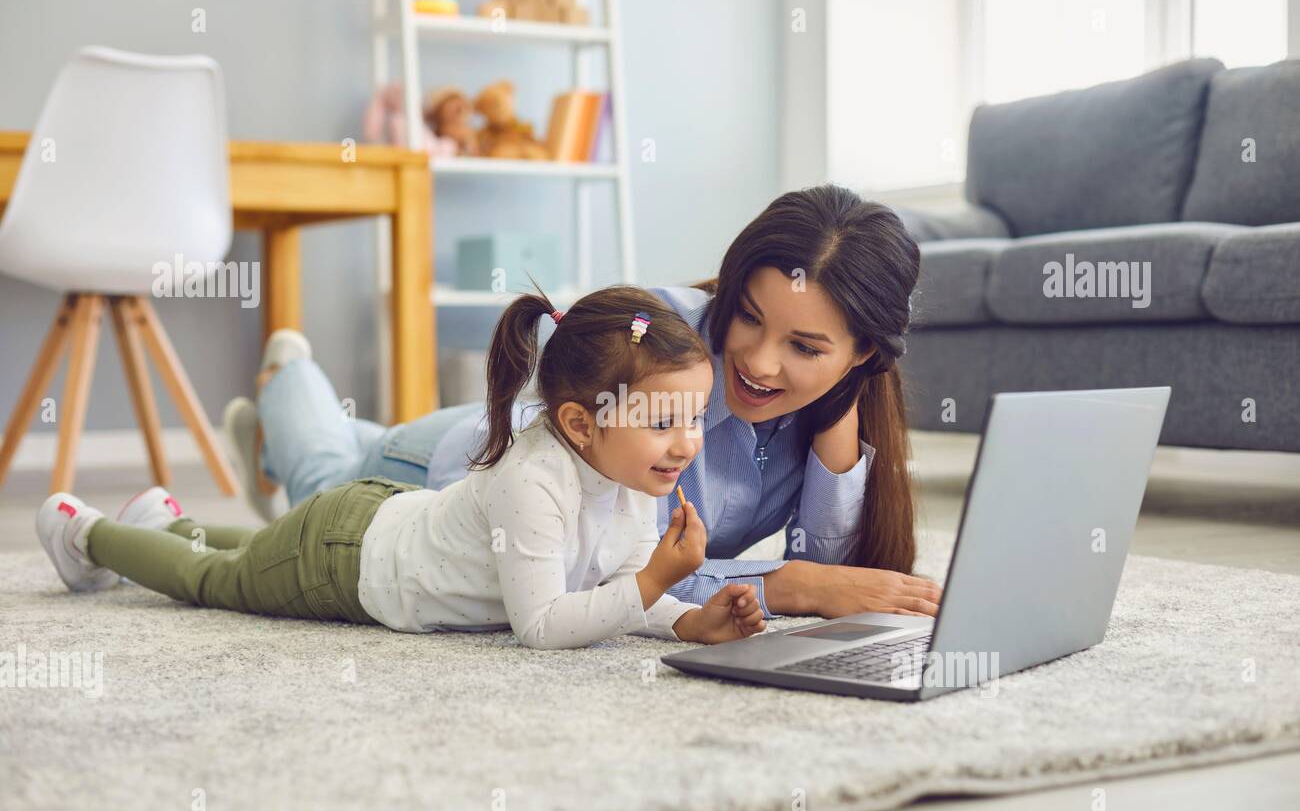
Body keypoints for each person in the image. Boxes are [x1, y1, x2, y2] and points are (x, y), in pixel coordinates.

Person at [225, 185, 943, 621]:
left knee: (341, 453)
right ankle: (290, 380)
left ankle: (301, 428)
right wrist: (790, 588)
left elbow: (838, 573)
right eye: (748, 315)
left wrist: (838, 414)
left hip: (469, 451)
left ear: (865, 355)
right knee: (319, 491)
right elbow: (617, 574)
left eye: (807, 348)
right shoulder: (653, 329)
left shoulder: (831, 406)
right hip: (452, 470)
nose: (756, 361)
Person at [35, 287, 765, 650]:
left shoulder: (634, 477)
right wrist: (656, 582)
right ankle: (86, 532)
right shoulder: (535, 482)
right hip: (346, 563)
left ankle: (168, 524)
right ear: (580, 422)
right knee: (212, 582)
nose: (688, 443)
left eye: (694, 418)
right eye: (665, 423)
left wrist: (687, 621)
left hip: (375, 517)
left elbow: (614, 593)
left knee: (248, 550)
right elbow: (542, 625)